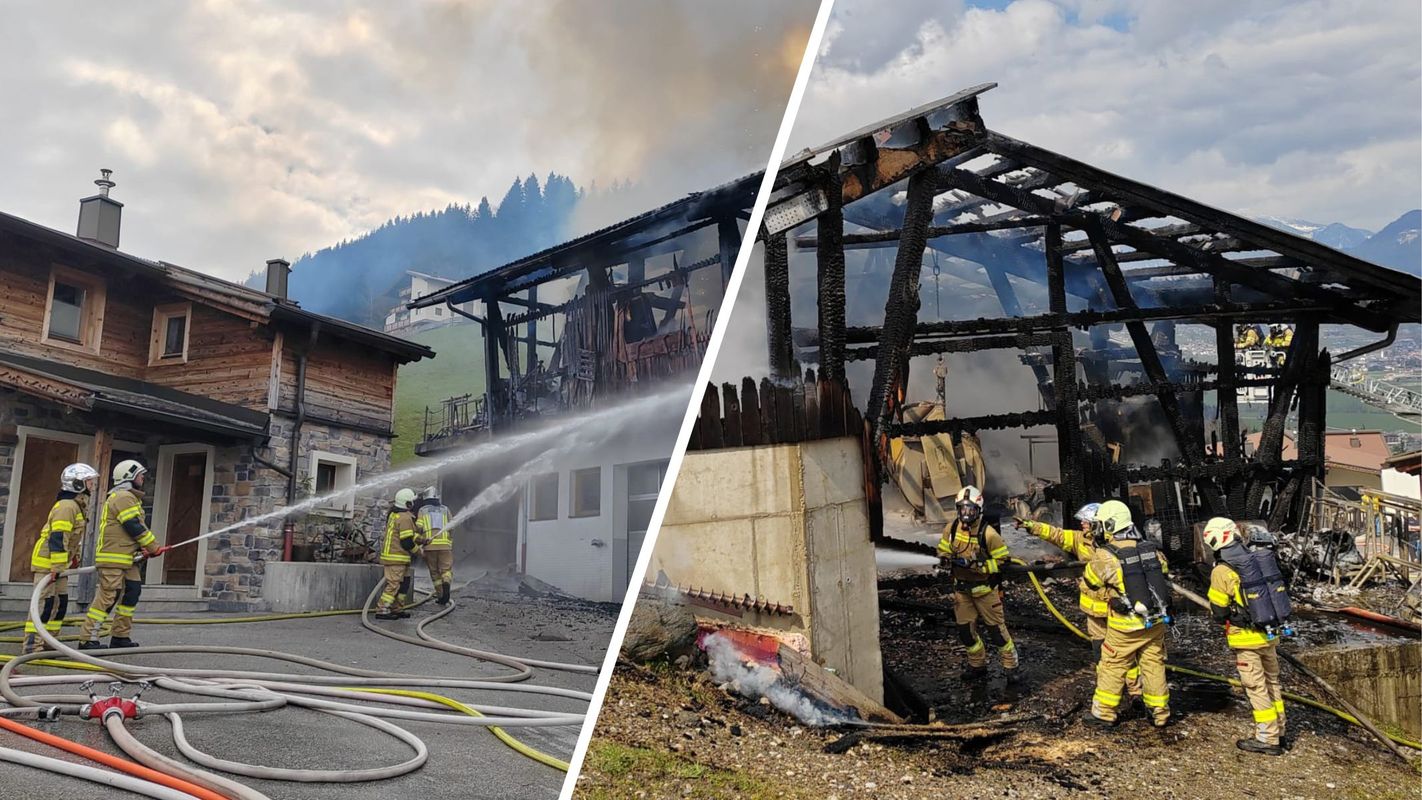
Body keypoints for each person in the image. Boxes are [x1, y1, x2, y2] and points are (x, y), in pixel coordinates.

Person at [1017, 503, 1142, 700]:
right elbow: (1056, 534)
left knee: (1125, 652)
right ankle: (1109, 690)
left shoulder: (1117, 543)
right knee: (1100, 653)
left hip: (1116, 609)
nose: (1082, 523)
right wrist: (1030, 525)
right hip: (1094, 611)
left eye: (1087, 521)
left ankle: (1135, 692)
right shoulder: (1080, 539)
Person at [1082, 500, 1173, 728]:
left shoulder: (1105, 555)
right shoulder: (1150, 549)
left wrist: (1110, 594)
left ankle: (1103, 712)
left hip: (1126, 626)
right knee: (1153, 664)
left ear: (1109, 526)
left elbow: (1089, 584)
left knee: (1113, 664)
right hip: (1155, 622)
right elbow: (1164, 574)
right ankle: (1160, 713)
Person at [1203, 517, 1287, 755]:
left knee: (1256, 687)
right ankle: (1279, 731)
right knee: (1272, 683)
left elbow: (1218, 610)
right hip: (1269, 634)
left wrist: (1227, 615)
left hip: (1246, 639)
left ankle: (1267, 738)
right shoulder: (1256, 557)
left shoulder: (1222, 569)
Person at [937, 486, 1019, 681]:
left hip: (985, 592)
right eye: (962, 509)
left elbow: (1003, 563)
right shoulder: (951, 529)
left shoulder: (989, 534)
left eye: (970, 510)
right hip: (962, 592)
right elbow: (943, 549)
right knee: (966, 633)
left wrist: (979, 565)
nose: (965, 514)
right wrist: (944, 558)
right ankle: (977, 666)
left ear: (978, 510)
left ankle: (1011, 668)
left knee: (997, 633)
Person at [79, 460, 162, 650]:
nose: (143, 478)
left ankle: (120, 636)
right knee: (108, 596)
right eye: (140, 474)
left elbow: (131, 530)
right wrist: (152, 546)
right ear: (129, 476)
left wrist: (142, 549)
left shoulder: (129, 498)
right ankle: (87, 639)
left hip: (127, 559)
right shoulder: (122, 497)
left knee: (132, 591)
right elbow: (133, 525)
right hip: (113, 558)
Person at [23, 463, 99, 654]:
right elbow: (58, 537)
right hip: (48, 563)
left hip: (60, 564)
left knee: (60, 603)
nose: (92, 485)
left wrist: (74, 558)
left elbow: (72, 538)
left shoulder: (77, 505)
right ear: (77, 483)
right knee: (43, 605)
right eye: (89, 481)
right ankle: (32, 646)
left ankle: (50, 642)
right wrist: (57, 566)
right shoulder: (67, 506)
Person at [376, 488, 419, 620]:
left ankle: (397, 608)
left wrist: (421, 539)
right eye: (412, 501)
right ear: (407, 504)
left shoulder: (396, 515)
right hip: (396, 557)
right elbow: (406, 542)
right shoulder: (404, 518)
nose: (414, 504)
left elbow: (409, 535)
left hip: (400, 557)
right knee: (394, 585)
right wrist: (419, 551)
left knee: (404, 583)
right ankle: (382, 609)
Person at [415, 486, 454, 606]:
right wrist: (449, 540)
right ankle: (446, 583)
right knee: (446, 570)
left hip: (429, 546)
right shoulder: (445, 509)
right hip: (445, 546)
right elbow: (451, 526)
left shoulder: (423, 510)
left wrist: (418, 540)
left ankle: (441, 595)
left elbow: (419, 527)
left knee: (434, 572)